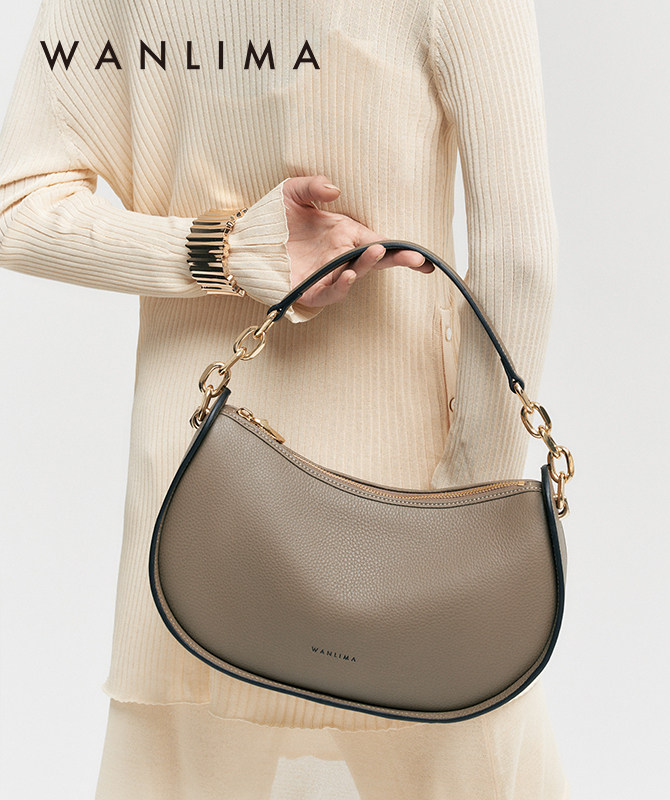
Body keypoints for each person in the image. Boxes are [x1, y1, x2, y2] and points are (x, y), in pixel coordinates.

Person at [0, 0, 568, 797]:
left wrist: (224, 250)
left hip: (200, 516)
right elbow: (519, 258)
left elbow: (16, 207)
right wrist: (473, 504)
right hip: (418, 515)